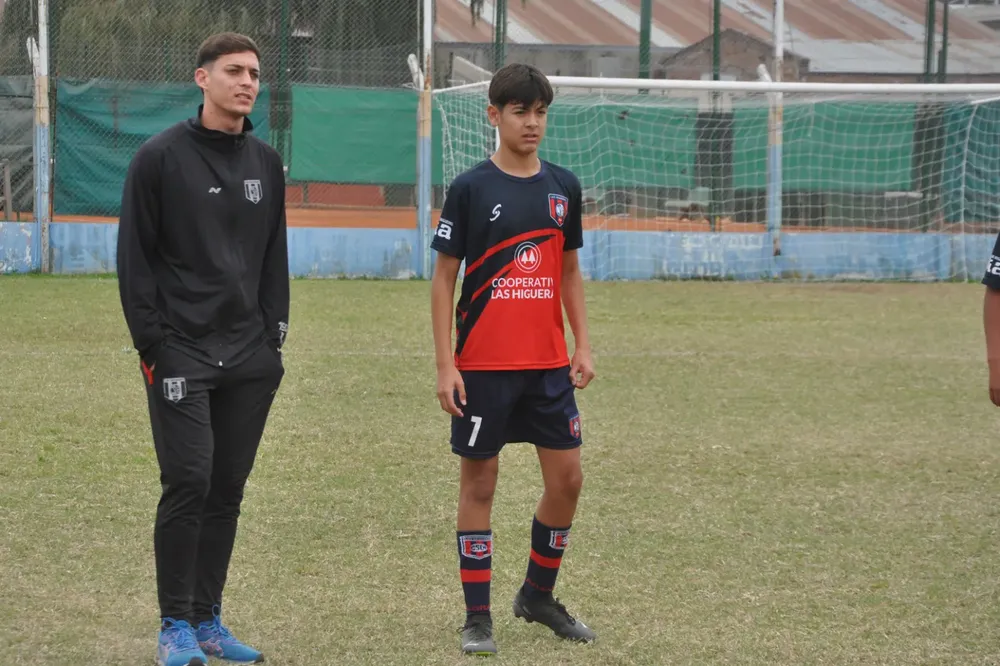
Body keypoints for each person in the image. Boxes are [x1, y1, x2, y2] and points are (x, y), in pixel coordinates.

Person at [116, 31, 288, 666]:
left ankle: (209, 621)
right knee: (188, 478)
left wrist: (274, 342)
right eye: (235, 71)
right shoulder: (158, 159)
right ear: (202, 78)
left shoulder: (266, 164)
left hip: (249, 356)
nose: (247, 82)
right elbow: (134, 262)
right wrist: (153, 344)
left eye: (254, 73)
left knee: (226, 487)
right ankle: (174, 627)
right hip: (182, 350)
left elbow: (274, 260)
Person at [430, 62, 598, 656]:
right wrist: (447, 364)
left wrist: (582, 342)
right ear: (494, 115)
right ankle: (478, 617)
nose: (532, 123)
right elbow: (444, 277)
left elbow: (569, 270)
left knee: (569, 479)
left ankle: (537, 595)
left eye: (541, 112)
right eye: (521, 111)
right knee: (480, 482)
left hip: (549, 366)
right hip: (482, 368)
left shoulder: (562, 187)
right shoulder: (472, 188)